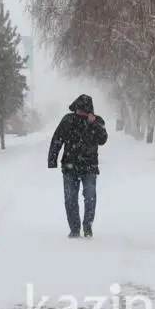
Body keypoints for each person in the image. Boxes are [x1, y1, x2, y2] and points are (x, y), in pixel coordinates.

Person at [48, 94, 108, 238]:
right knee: (70, 199)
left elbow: (103, 140)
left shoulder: (97, 121)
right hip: (70, 167)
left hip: (90, 167)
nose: (80, 113)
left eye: (84, 111)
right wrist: (52, 160)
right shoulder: (68, 120)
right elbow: (57, 139)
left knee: (90, 196)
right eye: (79, 110)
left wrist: (94, 124)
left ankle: (87, 227)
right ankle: (74, 229)